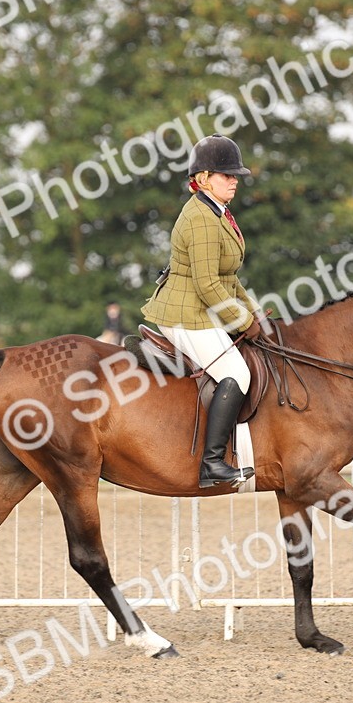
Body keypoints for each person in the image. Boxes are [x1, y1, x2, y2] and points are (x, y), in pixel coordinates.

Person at [142, 134, 263, 488]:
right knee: (237, 373)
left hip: (202, 310)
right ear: (205, 178)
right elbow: (208, 284)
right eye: (227, 175)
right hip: (185, 314)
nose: (234, 180)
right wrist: (241, 320)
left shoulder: (218, 212)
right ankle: (212, 464)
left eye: (235, 175)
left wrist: (254, 315)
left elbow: (230, 278)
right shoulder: (200, 218)